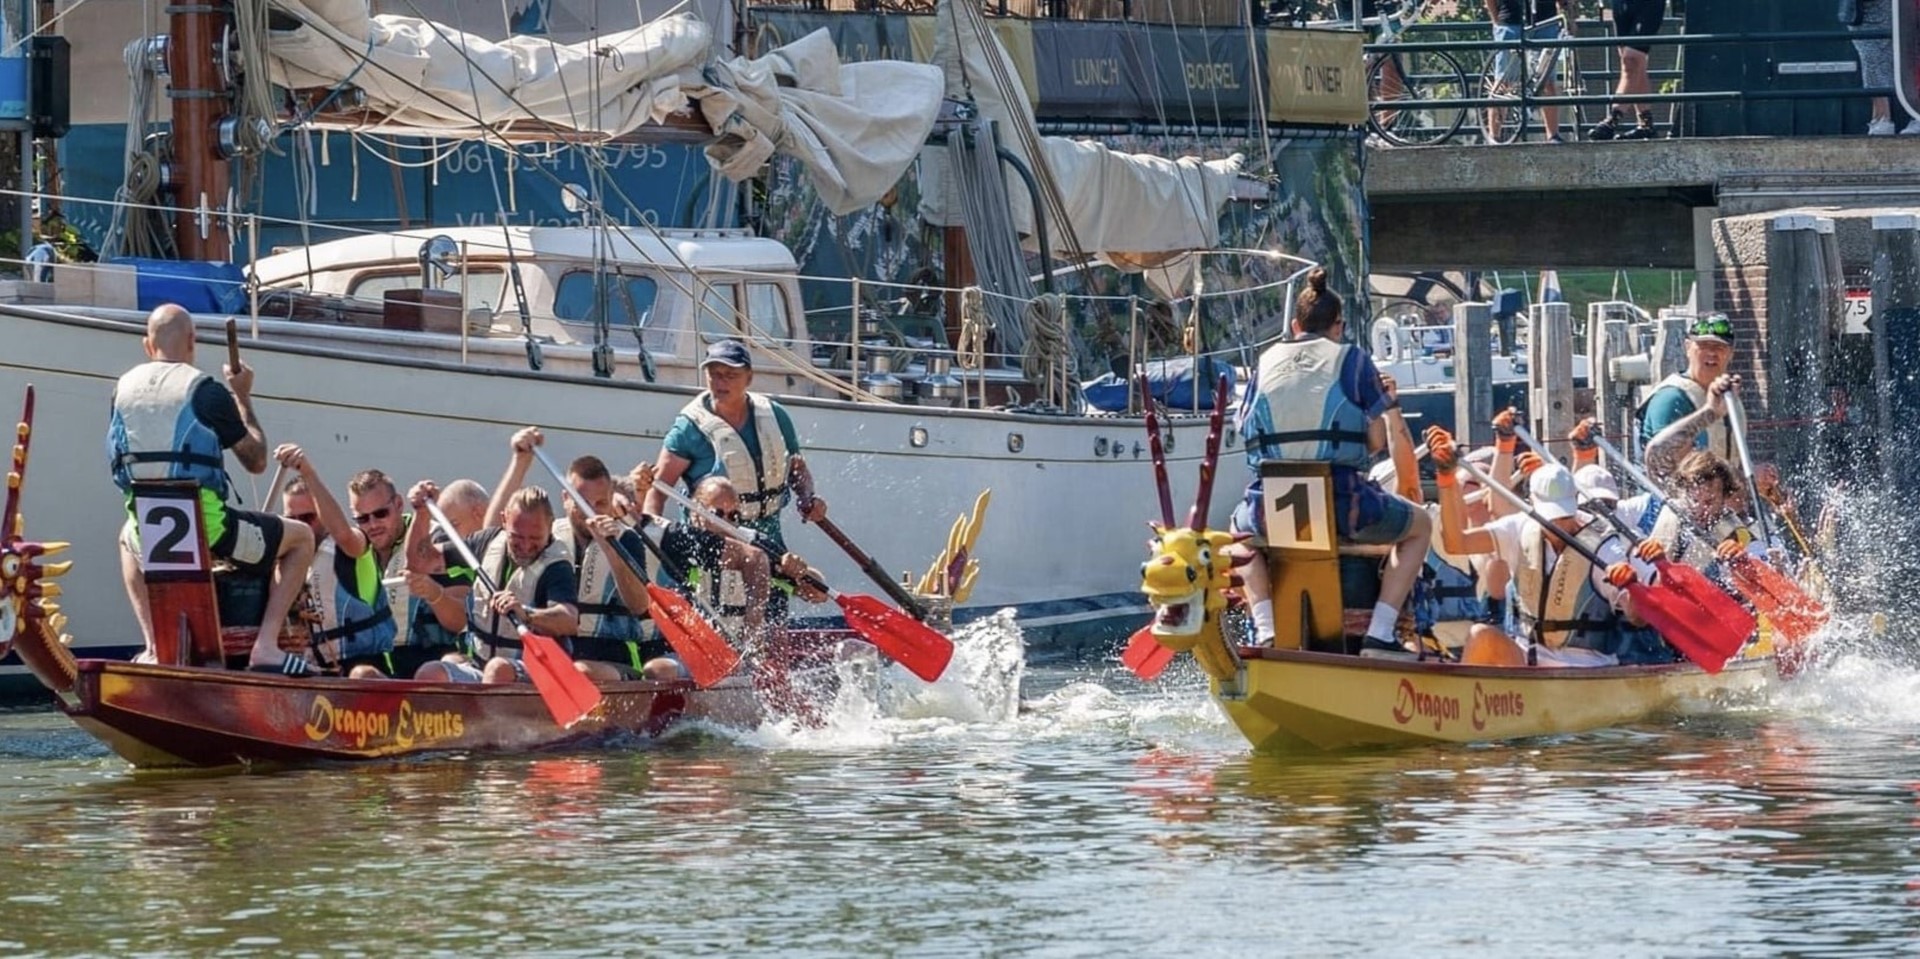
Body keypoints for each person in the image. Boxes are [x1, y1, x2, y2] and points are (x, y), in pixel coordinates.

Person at [1229, 268, 1433, 658]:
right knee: (1421, 526)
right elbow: (1375, 442)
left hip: (1270, 503)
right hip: (1343, 503)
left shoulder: (1265, 361)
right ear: (1338, 326)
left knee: (1238, 535)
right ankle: (1380, 634)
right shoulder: (1353, 360)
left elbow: (1245, 428)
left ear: (1294, 325)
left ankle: (1267, 629)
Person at [108, 303, 315, 672]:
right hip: (211, 531)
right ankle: (266, 646)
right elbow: (256, 460)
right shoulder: (205, 390)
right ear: (193, 341)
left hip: (149, 531)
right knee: (301, 539)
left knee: (125, 535)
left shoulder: (120, 391)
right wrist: (243, 396)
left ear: (146, 345)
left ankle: (155, 646)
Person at [1429, 430, 1661, 666]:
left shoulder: (1605, 548)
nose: (1558, 524)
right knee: (1480, 635)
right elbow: (1456, 543)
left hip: (1585, 666)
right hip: (1528, 659)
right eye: (1551, 517)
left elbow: (1637, 618)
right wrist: (1446, 481)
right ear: (1533, 505)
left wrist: (1633, 591)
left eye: (1563, 515)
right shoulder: (1518, 528)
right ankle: (1472, 699)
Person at [645, 339, 826, 559]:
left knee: (806, 587)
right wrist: (651, 541)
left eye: (731, 375)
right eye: (715, 374)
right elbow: (658, 491)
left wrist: (807, 497)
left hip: (768, 537)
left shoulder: (775, 415)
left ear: (749, 377)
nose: (721, 382)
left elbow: (797, 469)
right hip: (710, 542)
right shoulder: (688, 428)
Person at [274, 448, 408, 678]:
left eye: (308, 518)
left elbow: (344, 536)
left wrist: (308, 472)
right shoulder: (283, 561)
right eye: (292, 519)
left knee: (361, 675)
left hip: (367, 664)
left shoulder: (353, 544)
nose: (300, 526)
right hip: (319, 668)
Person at [553, 455, 684, 683]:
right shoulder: (549, 537)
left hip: (614, 661)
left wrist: (610, 549)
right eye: (582, 503)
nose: (591, 512)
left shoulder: (627, 539)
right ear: (566, 498)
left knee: (581, 671)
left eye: (600, 504)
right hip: (560, 656)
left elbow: (639, 604)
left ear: (610, 500)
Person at [439, 487, 580, 684]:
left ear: (550, 526)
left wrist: (526, 614)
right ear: (504, 521)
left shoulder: (557, 566)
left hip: (537, 670)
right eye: (517, 537)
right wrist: (421, 513)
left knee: (498, 669)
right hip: (481, 663)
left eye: (535, 538)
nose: (525, 545)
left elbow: (569, 620)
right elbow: (420, 560)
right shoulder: (487, 541)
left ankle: (488, 715)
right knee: (435, 671)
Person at [1637, 314, 1743, 482]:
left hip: (1719, 502)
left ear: (1731, 353)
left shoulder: (1730, 397)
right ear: (1688, 348)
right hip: (1671, 504)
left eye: (1719, 347)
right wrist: (1710, 413)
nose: (1711, 352)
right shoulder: (1671, 398)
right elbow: (1659, 465)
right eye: (1703, 346)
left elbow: (1731, 465)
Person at [1486, 0, 1577, 142]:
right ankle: (1494, 136)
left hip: (1545, 20)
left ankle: (1553, 135)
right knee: (1504, 82)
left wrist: (1567, 11)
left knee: (1547, 81)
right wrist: (1496, 19)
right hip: (1511, 21)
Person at [1588, 0, 1668, 140]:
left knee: (1631, 60)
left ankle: (1612, 120)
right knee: (1634, 65)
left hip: (1649, 4)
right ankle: (1646, 124)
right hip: (1621, 5)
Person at [1851, 0, 1920, 135]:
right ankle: (1881, 118)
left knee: (1908, 55)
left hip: (1901, 8)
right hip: (1870, 10)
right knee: (1873, 60)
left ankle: (1885, 118)